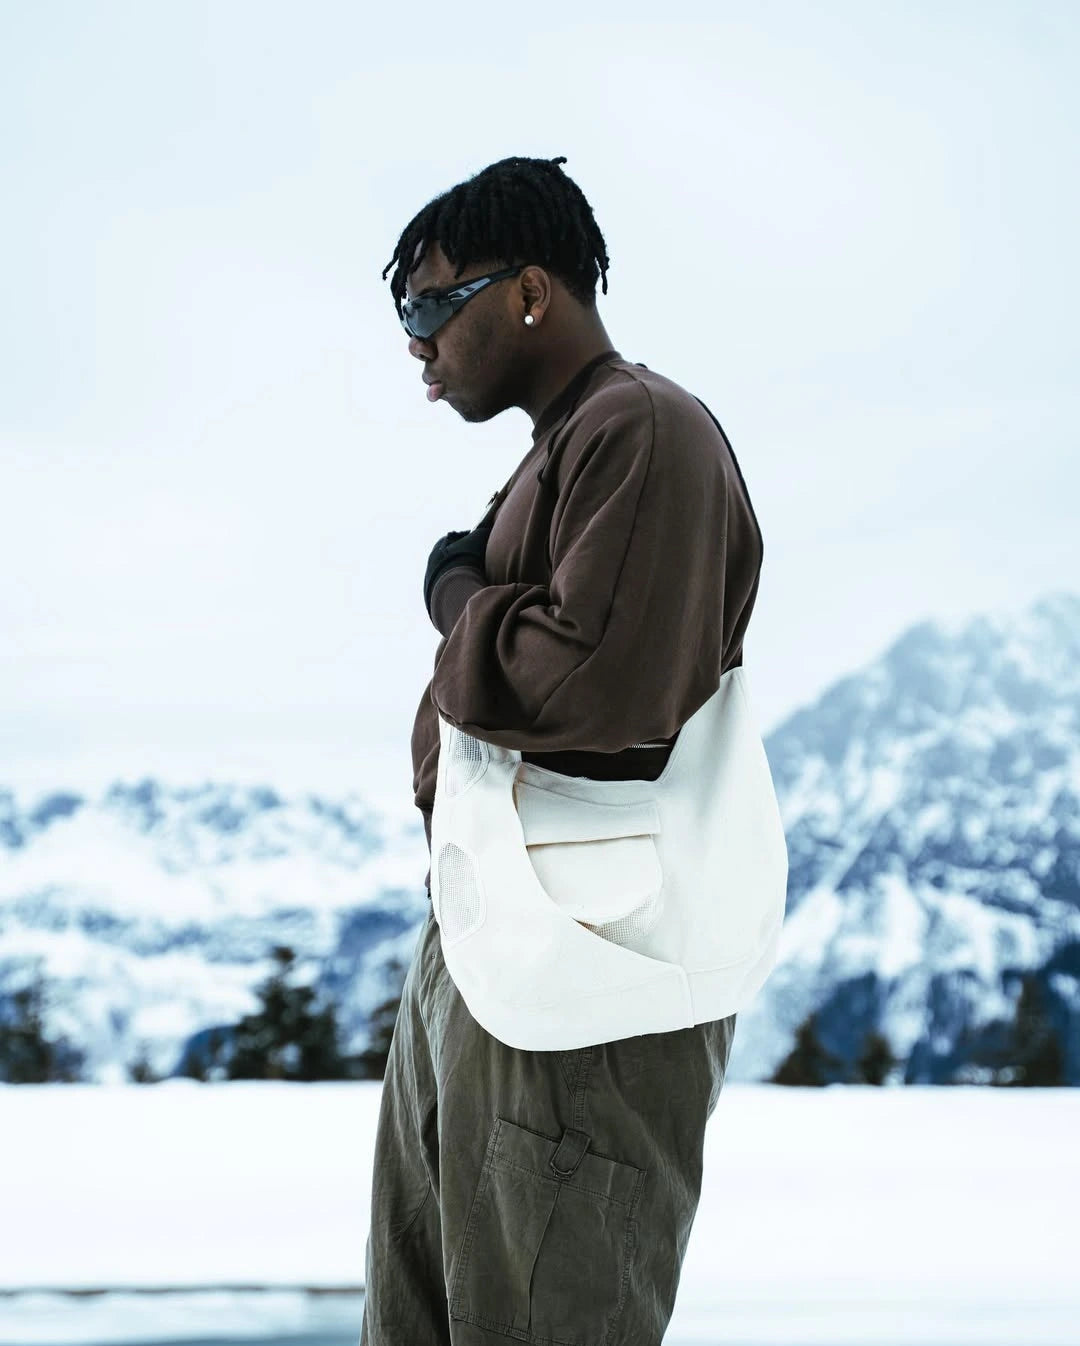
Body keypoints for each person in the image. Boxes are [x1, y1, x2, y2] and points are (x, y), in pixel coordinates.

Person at [359, 155, 765, 1346]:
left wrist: (456, 600)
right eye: (406, 318)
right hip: (498, 957)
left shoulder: (642, 426)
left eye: (433, 305)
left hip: (587, 979)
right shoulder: (562, 451)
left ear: (531, 292)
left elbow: (596, 683)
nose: (417, 345)